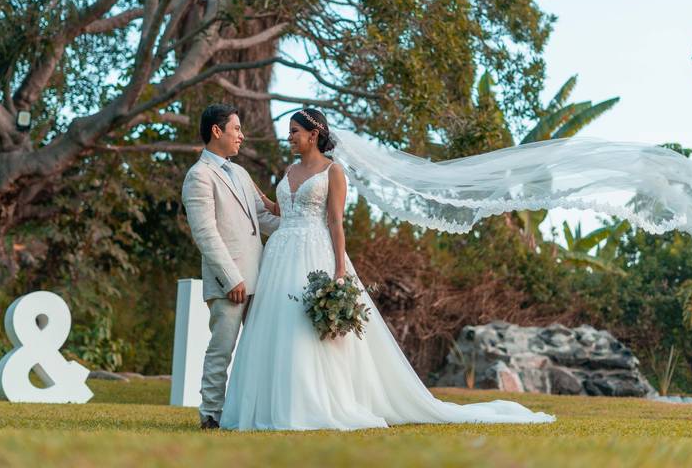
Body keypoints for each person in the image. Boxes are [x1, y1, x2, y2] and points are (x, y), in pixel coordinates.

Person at [219, 108, 554, 430]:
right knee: (277, 326)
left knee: (307, 330)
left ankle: (314, 402)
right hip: (280, 254)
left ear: (314, 133)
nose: (289, 137)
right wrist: (255, 192)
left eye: (294, 131)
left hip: (314, 252)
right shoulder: (289, 171)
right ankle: (271, 403)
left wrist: (339, 270)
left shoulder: (333, 172)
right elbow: (282, 209)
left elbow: (335, 222)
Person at [181, 104, 280, 430]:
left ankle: (250, 413)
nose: (241, 135)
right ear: (217, 130)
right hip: (230, 282)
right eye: (236, 128)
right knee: (221, 349)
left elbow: (263, 219)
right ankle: (210, 415)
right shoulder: (198, 176)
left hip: (260, 276)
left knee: (259, 348)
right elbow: (205, 233)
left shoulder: (239, 172)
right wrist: (231, 278)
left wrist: (303, 224)